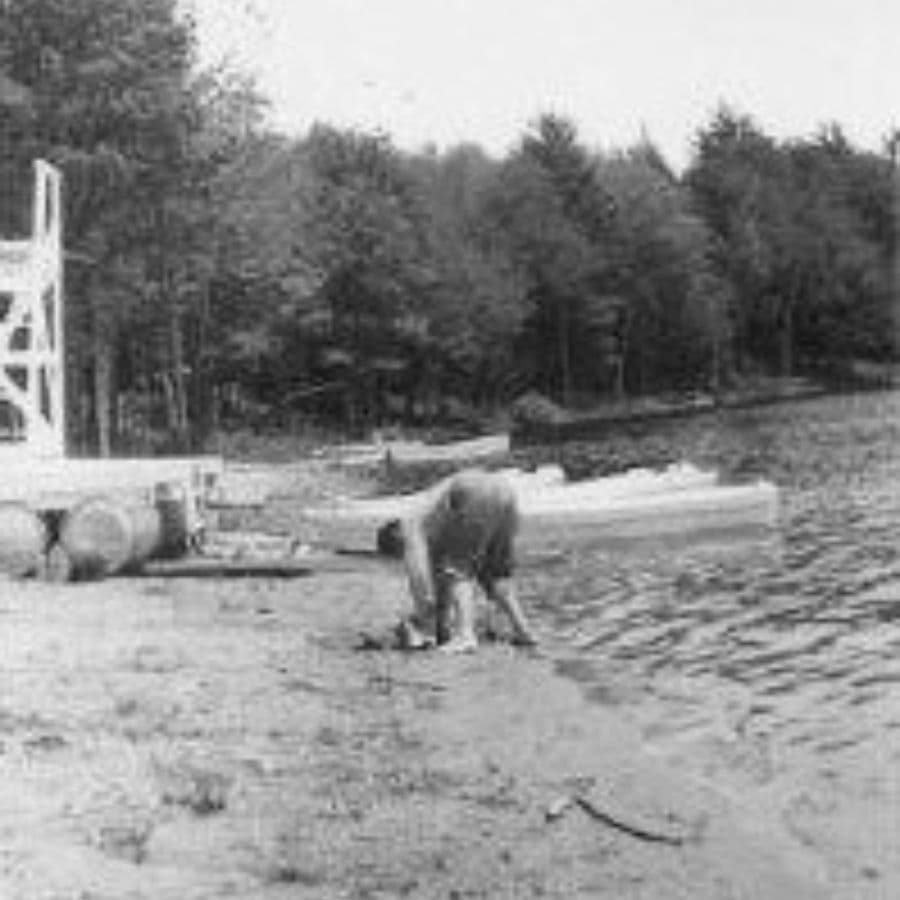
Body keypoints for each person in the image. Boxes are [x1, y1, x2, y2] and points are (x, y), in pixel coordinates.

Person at [377, 469, 538, 653]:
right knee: (497, 575)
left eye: (401, 554)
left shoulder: (409, 525)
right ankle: (524, 631)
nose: (404, 558)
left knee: (458, 570)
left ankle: (466, 635)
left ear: (396, 537)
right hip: (505, 491)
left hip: (471, 490)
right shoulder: (435, 524)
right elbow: (439, 585)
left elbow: (420, 578)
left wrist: (423, 618)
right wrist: (440, 626)